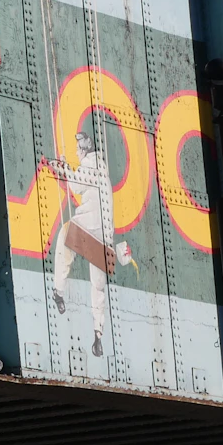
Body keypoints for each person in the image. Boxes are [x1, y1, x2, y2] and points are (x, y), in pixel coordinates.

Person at [48, 131, 134, 357]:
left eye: (78, 147)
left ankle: (58, 290)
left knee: (64, 241)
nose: (77, 151)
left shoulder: (90, 163)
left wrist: (62, 167)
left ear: (84, 149)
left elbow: (76, 186)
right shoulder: (101, 167)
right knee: (98, 286)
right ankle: (98, 333)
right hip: (104, 235)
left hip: (88, 225)